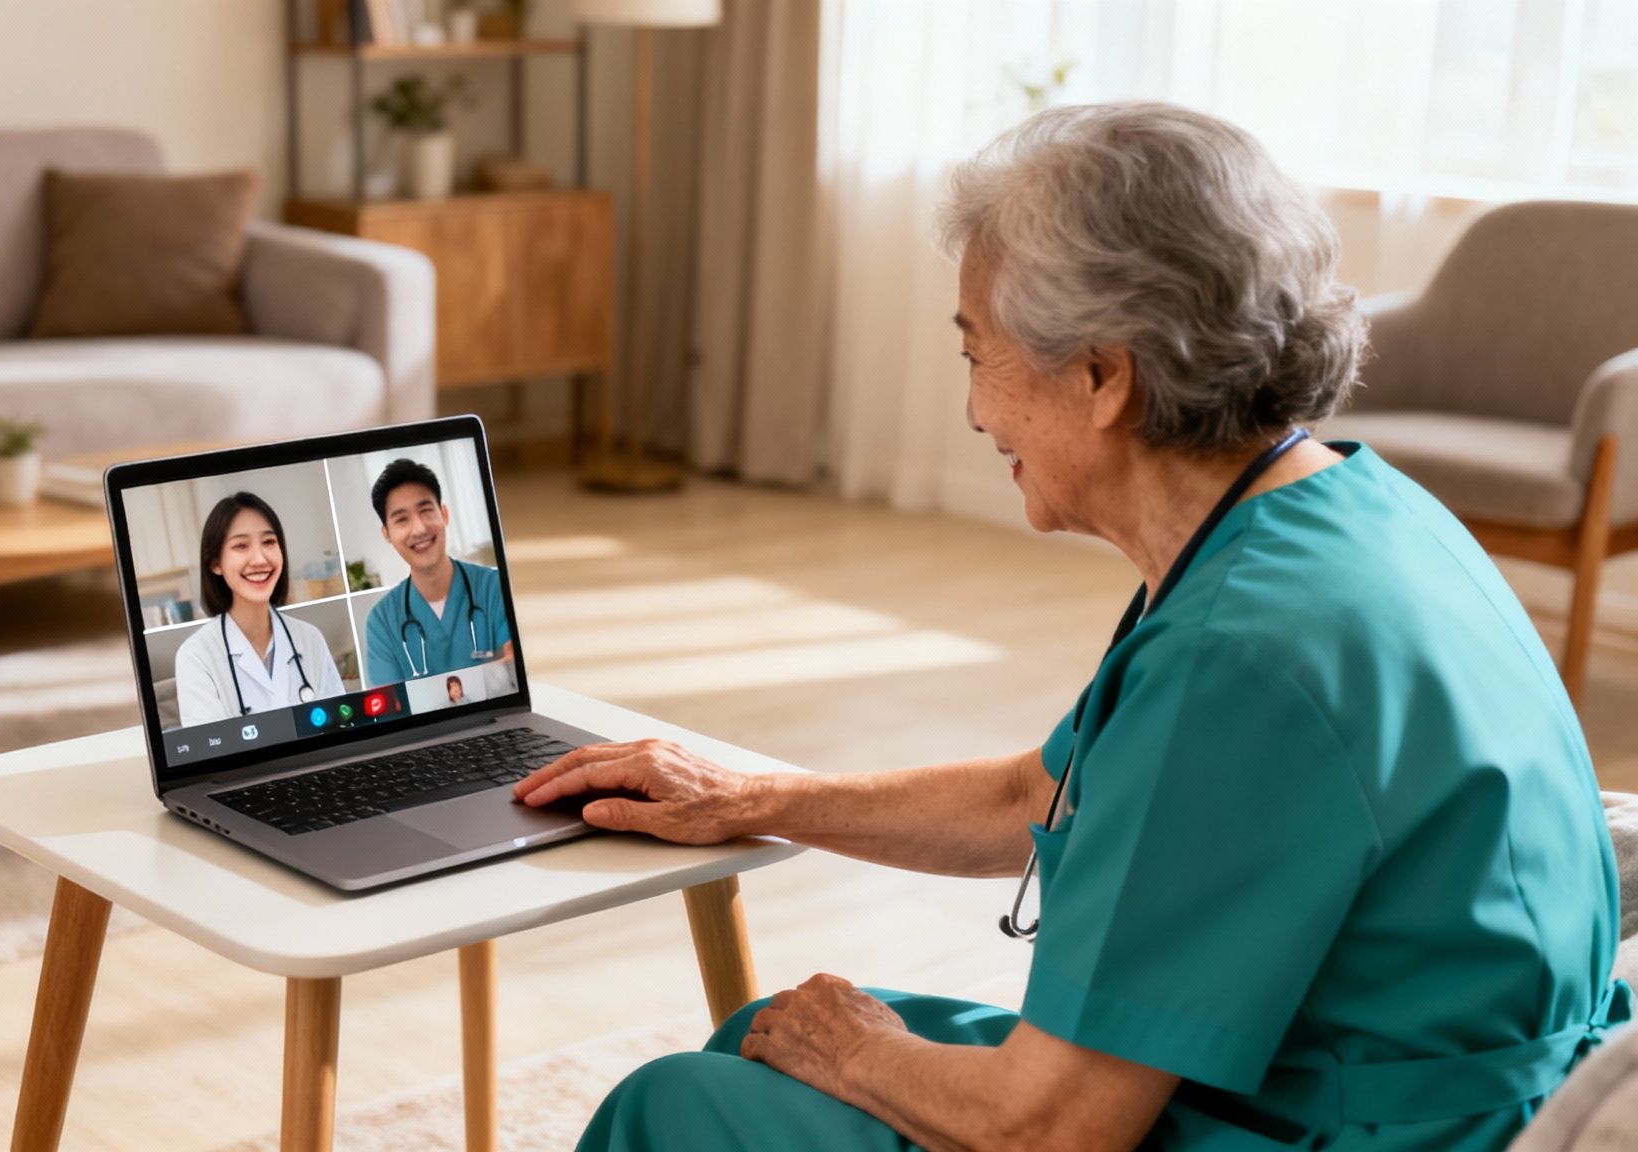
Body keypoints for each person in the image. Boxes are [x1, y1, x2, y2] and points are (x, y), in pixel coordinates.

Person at [517, 102, 1626, 1152]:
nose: (971, 409)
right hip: (1403, 1083)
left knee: (679, 1102)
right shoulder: (1342, 511)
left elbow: (1049, 1127)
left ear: (1101, 376)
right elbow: (1041, 793)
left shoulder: (1236, 655)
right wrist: (750, 800)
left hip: (1360, 1129)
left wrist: (858, 1054)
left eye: (974, 352)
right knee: (756, 1037)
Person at [173, 492, 345, 727]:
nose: (259, 559)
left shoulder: (310, 639)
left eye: (269, 542)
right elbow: (210, 758)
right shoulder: (196, 656)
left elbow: (341, 729)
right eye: (241, 546)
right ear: (215, 563)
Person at [362, 457, 515, 685]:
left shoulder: (495, 587)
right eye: (402, 519)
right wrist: (490, 676)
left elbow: (516, 672)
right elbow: (393, 708)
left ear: (444, 514)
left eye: (426, 511)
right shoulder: (381, 622)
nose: (419, 528)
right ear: (387, 534)